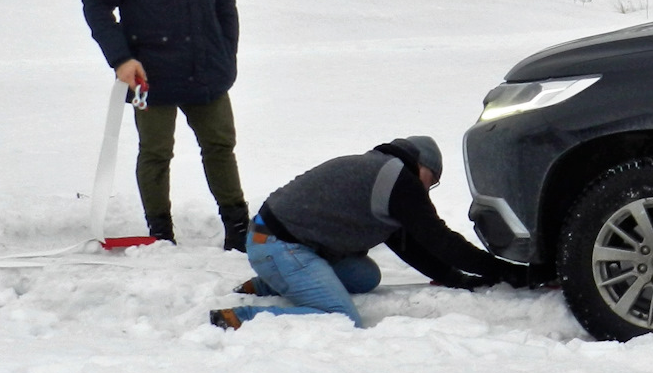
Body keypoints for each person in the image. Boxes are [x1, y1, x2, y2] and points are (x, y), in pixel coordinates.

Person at [81, 0, 249, 250]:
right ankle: (160, 233)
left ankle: (240, 230)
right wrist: (121, 59)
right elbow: (96, 2)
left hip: (207, 66)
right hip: (148, 73)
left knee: (220, 146)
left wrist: (227, 49)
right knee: (156, 152)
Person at [211, 135, 514, 329]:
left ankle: (265, 284)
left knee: (366, 276)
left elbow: (409, 244)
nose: (427, 190)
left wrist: (454, 278)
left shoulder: (379, 172)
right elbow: (441, 240)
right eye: (430, 180)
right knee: (341, 318)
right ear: (420, 165)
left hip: (273, 241)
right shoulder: (398, 181)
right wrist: (507, 273)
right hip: (278, 245)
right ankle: (243, 318)